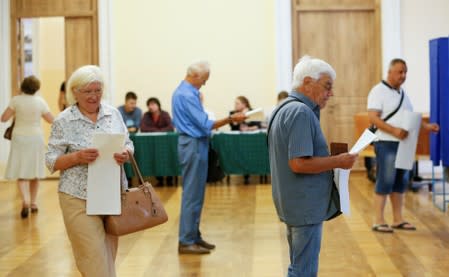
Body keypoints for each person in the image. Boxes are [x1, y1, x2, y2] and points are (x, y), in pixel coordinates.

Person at [268, 56, 357, 276]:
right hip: (304, 205)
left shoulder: (283, 108)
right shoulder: (300, 112)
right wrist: (338, 161)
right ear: (308, 82)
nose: (331, 93)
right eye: (327, 86)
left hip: (293, 202)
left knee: (299, 265)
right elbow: (298, 163)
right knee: (303, 270)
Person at [45, 65, 133, 276]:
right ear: (74, 92)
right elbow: (51, 161)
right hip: (78, 197)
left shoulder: (113, 114)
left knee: (107, 256)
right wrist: (76, 157)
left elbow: (128, 143)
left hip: (112, 195)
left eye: (98, 90)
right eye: (87, 91)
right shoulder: (63, 120)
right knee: (93, 258)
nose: (94, 96)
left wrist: (126, 153)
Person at [172, 60, 246, 254]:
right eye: (204, 79)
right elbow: (205, 124)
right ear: (194, 76)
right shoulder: (187, 95)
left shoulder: (185, 92)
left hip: (195, 144)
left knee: (196, 194)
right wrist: (231, 118)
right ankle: (187, 240)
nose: (204, 83)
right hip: (193, 145)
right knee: (192, 195)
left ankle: (193, 236)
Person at [368, 58, 439, 233]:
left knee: (401, 181)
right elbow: (373, 117)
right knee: (385, 180)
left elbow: (410, 118)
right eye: (400, 72)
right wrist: (393, 130)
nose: (403, 75)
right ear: (389, 72)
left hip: (404, 145)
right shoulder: (378, 91)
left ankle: (398, 219)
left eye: (405, 72)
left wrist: (427, 126)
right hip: (386, 142)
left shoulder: (403, 94)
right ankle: (378, 220)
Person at [1, 76, 54, 218]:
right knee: (35, 170)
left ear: (23, 86)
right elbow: (51, 120)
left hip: (19, 138)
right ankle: (34, 203)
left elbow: (4, 118)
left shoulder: (16, 100)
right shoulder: (40, 102)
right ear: (36, 88)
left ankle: (25, 201)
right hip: (36, 138)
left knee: (21, 171)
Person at [140, 97, 174, 186]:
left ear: (158, 105)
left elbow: (170, 127)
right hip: (151, 144)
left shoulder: (165, 114)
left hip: (165, 143)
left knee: (166, 157)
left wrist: (158, 131)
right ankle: (158, 178)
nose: (151, 107)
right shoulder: (146, 115)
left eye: (153, 104)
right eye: (149, 105)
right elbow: (143, 127)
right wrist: (156, 130)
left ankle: (169, 178)